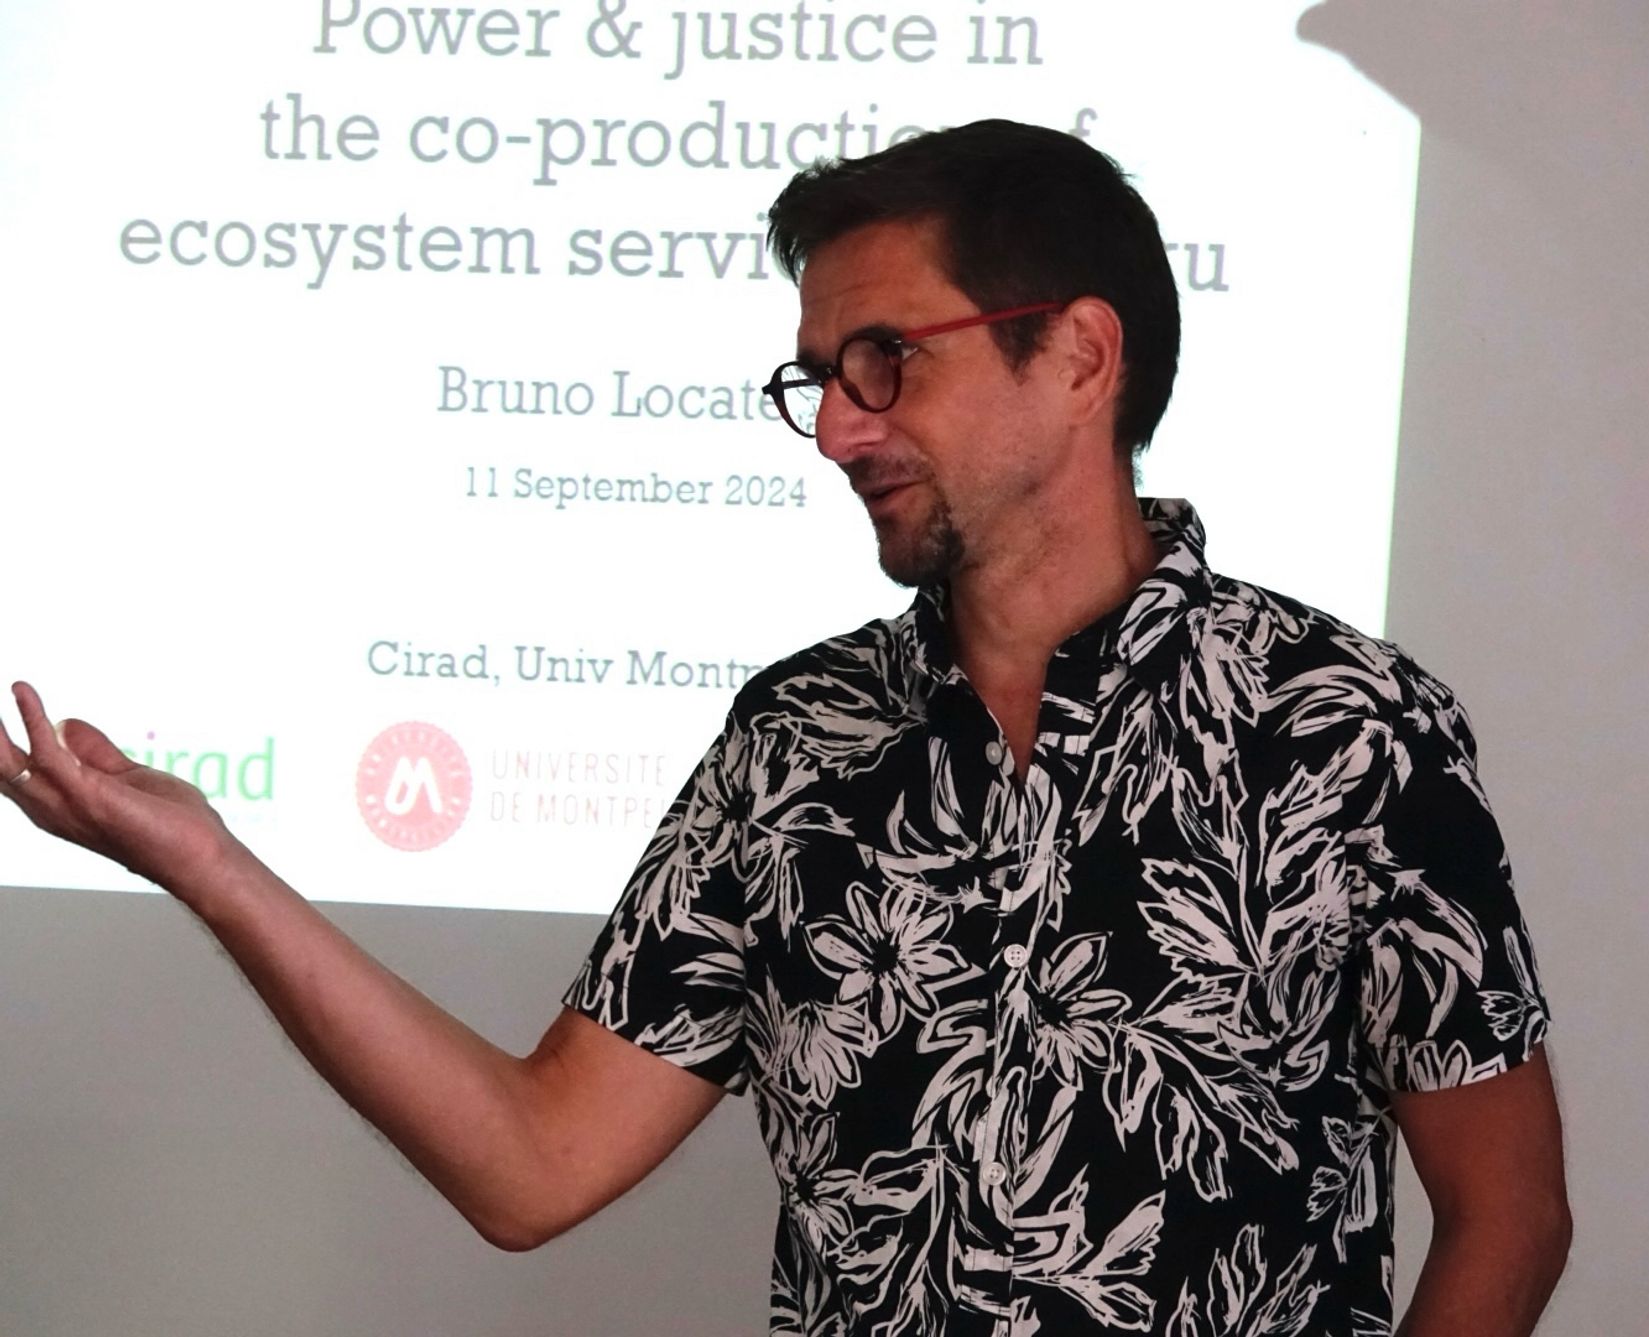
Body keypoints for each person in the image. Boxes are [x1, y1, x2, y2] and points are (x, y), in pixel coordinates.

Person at [1, 119, 1569, 1336]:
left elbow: (1509, 1212)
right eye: (817, 376)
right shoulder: (799, 742)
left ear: (1080, 354)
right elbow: (531, 1162)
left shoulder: (1346, 727)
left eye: (889, 359)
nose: (836, 424)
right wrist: (214, 867)